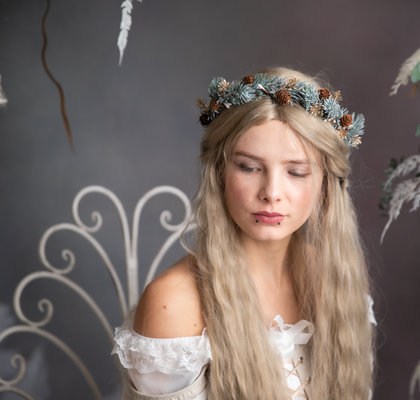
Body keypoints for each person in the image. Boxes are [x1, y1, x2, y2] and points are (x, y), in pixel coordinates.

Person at [112, 67, 376, 400]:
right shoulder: (174, 304)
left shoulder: (334, 278)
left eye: (296, 172)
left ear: (325, 182)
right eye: (249, 167)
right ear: (220, 173)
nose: (271, 192)